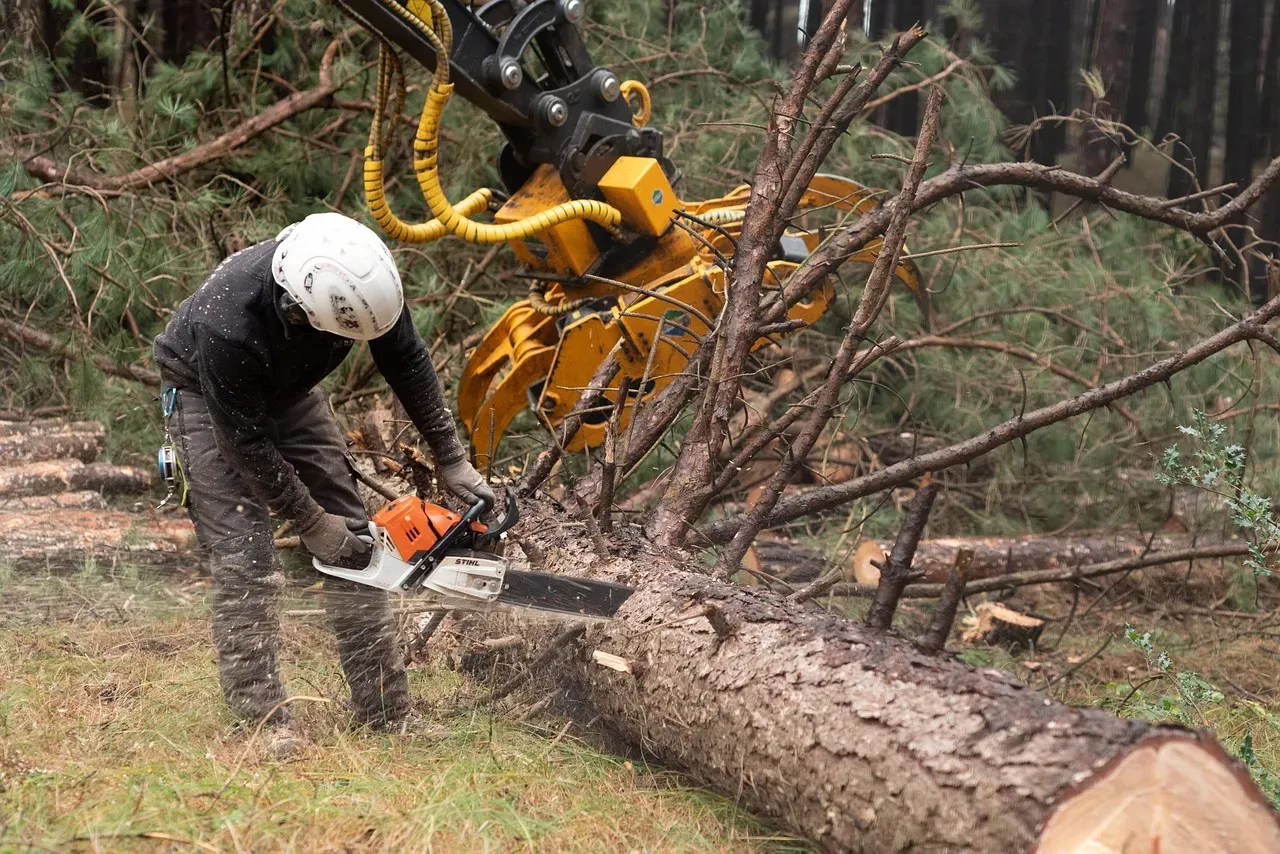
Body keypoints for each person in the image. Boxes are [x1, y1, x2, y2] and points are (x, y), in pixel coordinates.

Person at [154, 212, 493, 747]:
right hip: (206, 396)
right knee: (247, 556)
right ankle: (263, 720)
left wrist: (450, 457)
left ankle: (385, 710)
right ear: (295, 309)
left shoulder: (362, 283)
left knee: (357, 542)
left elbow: (405, 358)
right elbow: (242, 442)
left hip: (289, 393)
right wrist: (310, 521)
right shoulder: (229, 321)